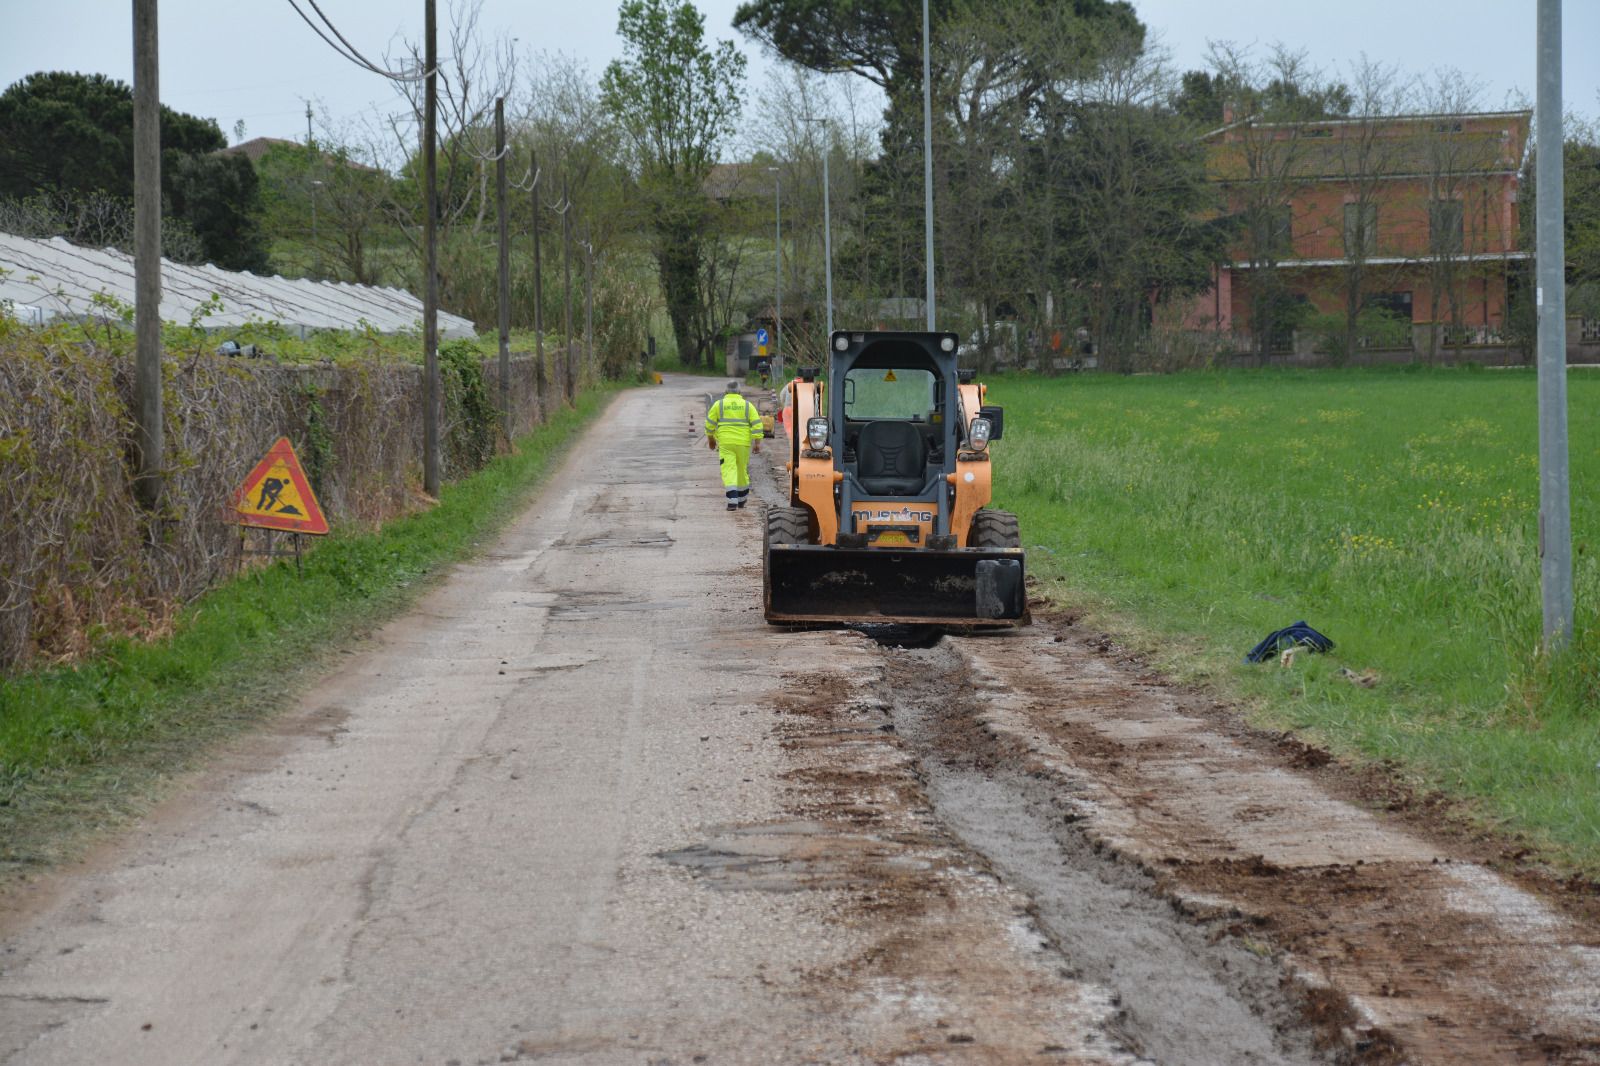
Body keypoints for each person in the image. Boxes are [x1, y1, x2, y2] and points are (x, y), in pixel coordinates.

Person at [705, 381, 763, 511]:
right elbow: (757, 425)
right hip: (743, 444)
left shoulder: (718, 405)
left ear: (725, 392)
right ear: (740, 392)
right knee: (742, 470)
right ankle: (742, 500)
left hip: (725, 443)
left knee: (729, 469)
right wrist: (757, 443)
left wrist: (711, 440)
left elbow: (709, 425)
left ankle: (732, 502)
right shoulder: (748, 406)